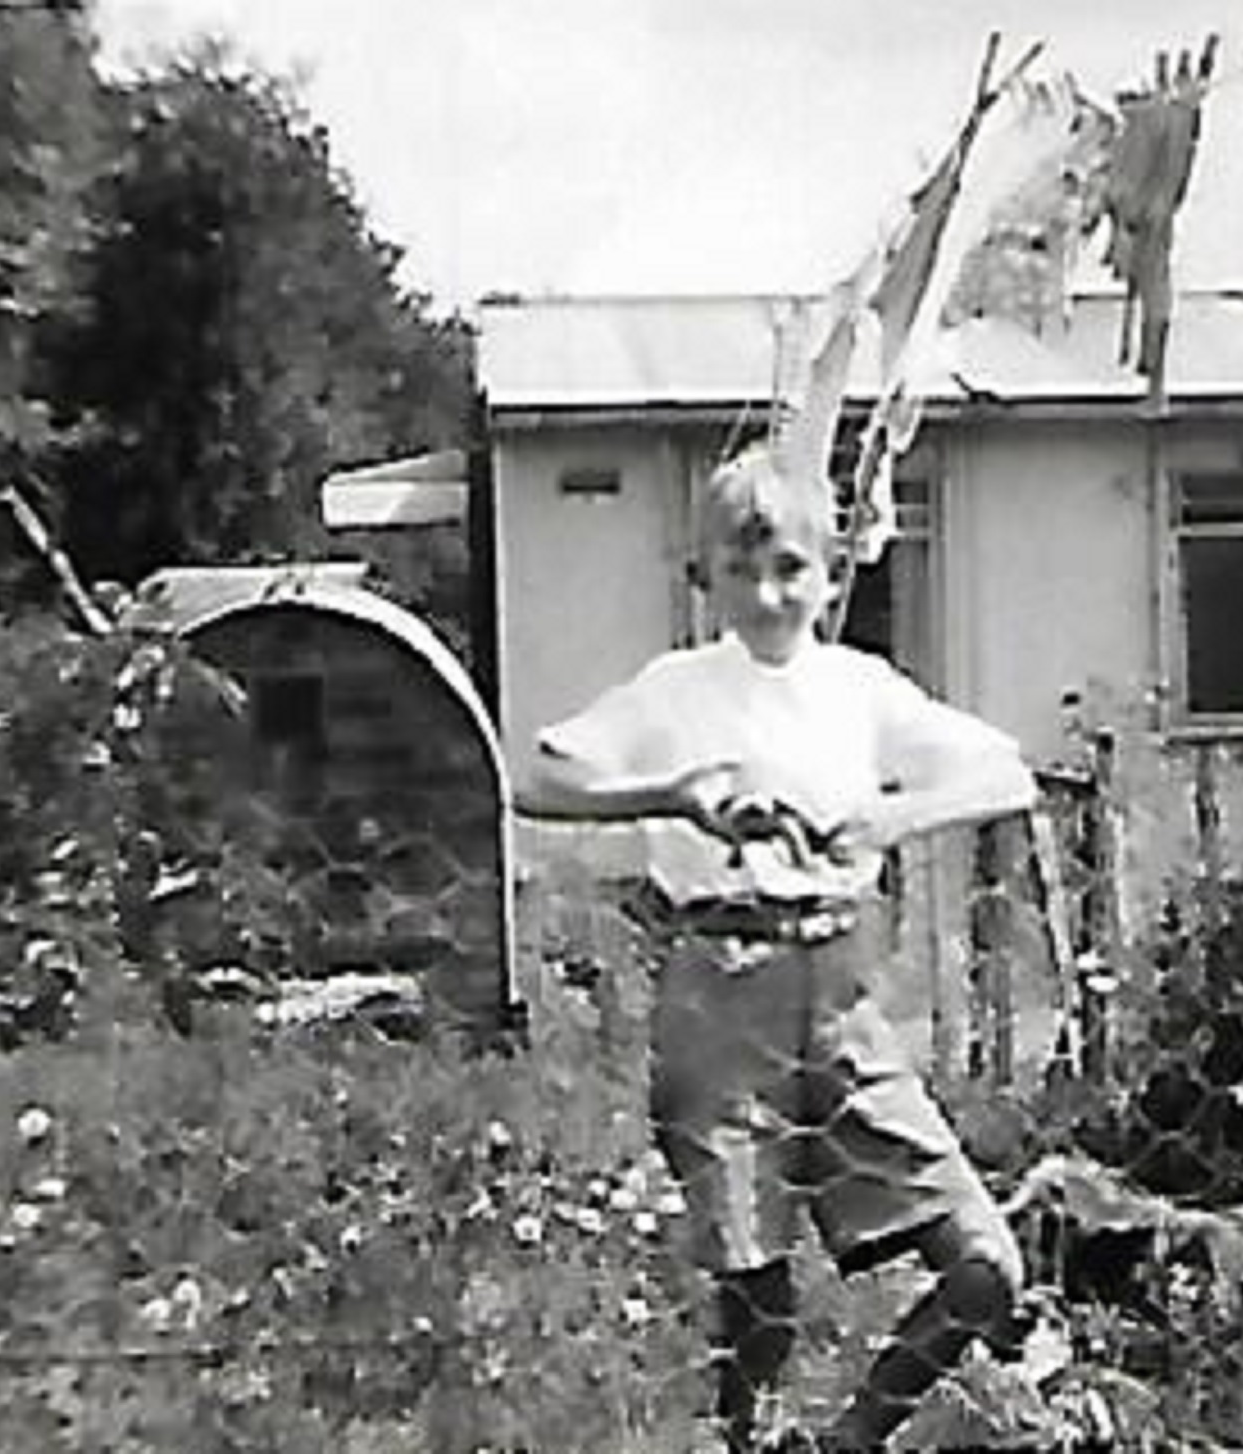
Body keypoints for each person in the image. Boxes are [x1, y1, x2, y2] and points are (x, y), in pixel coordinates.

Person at [512, 441, 1037, 1451]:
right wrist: (673, 795)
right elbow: (537, 777)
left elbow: (1004, 774)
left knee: (984, 1266)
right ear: (700, 572)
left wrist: (888, 820)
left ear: (833, 573)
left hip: (842, 993)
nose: (764, 593)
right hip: (719, 988)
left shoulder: (857, 688)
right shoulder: (675, 689)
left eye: (790, 567)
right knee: (757, 1294)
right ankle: (748, 1436)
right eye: (740, 569)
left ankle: (850, 1437)